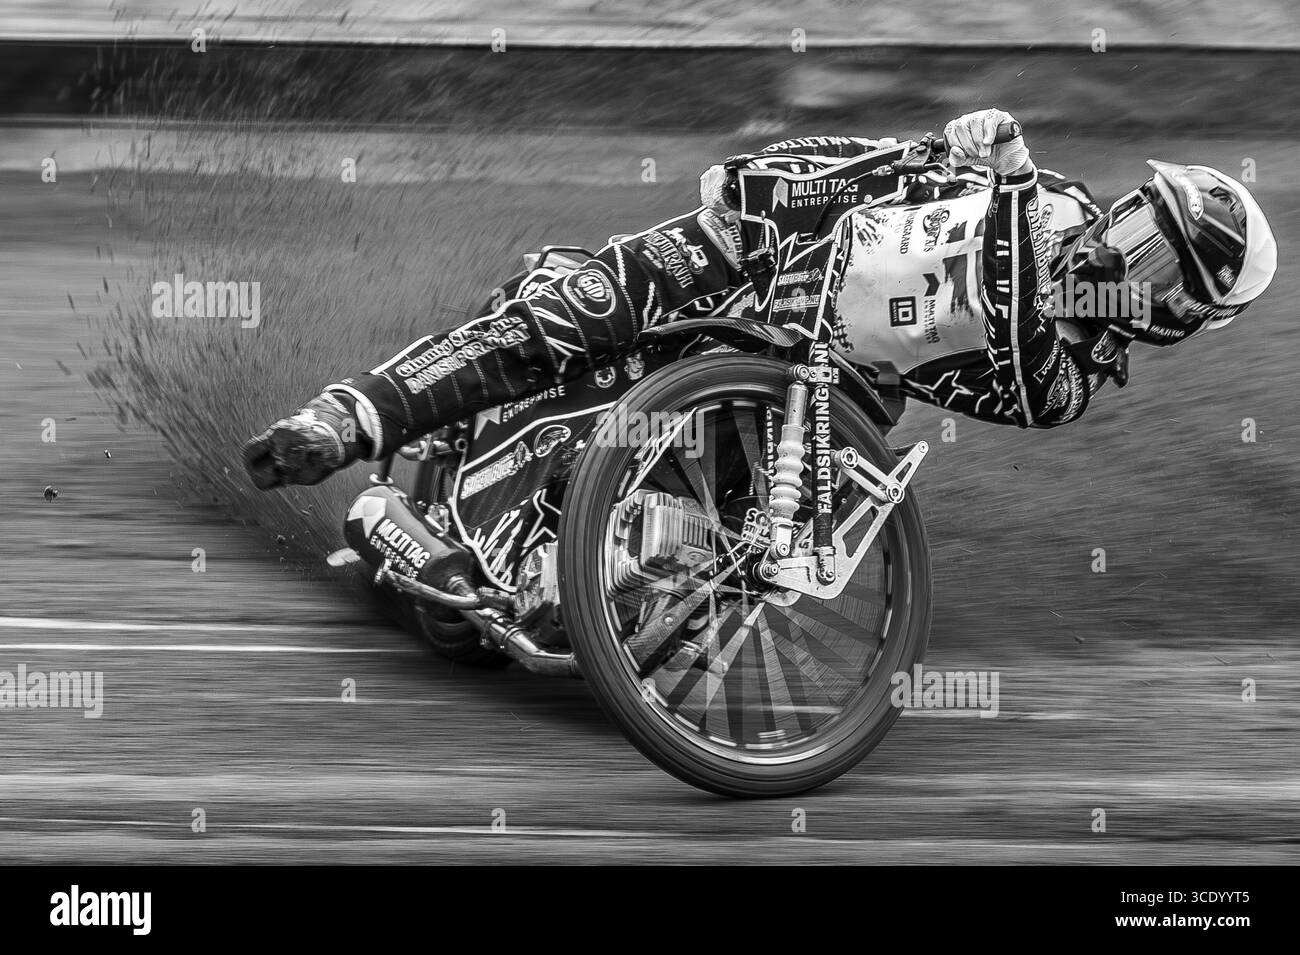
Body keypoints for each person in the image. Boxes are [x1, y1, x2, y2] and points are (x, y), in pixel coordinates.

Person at [242, 108, 1277, 490]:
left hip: (815, 391)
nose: (1122, 255)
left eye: (1155, 269)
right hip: (765, 253)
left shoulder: (1061, 383)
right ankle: (342, 421)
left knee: (731, 539)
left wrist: (1000, 176)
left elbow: (1010, 341)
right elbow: (890, 163)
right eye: (1137, 228)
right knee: (582, 309)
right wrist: (774, 186)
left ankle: (591, 592)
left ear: (1180, 318)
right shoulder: (1045, 197)